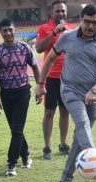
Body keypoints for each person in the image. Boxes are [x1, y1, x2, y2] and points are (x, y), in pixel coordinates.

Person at [34, 4, 96, 182]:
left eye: (95, 23)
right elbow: (49, 59)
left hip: (93, 95)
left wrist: (95, 90)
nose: (90, 26)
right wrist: (40, 84)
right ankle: (95, 155)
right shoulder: (67, 37)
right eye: (87, 22)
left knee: (79, 139)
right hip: (69, 90)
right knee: (82, 122)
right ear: (81, 20)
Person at [0, 18, 40, 176]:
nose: (8, 33)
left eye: (10, 29)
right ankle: (26, 157)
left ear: (15, 30)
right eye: (4, 30)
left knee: (17, 129)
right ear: (0, 32)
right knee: (15, 129)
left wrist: (40, 86)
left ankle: (12, 163)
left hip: (22, 92)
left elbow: (36, 67)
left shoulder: (25, 48)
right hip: (6, 93)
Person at [35, 0, 76, 160]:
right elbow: (38, 48)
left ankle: (63, 143)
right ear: (51, 13)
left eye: (63, 11)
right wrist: (53, 33)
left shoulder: (72, 29)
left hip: (68, 78)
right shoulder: (44, 28)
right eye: (57, 11)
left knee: (65, 112)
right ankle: (47, 147)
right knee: (49, 112)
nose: (60, 14)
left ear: (66, 12)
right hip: (51, 78)